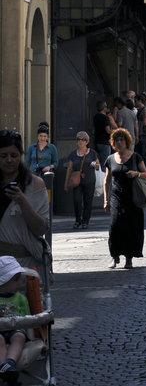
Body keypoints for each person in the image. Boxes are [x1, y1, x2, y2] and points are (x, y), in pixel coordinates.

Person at [0, 130, 49, 273]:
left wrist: (22, 201)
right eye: (3, 156)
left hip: (26, 267)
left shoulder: (35, 184)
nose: (9, 160)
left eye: (13, 155)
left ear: (20, 156)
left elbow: (41, 229)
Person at [103, 128, 146, 269]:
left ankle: (129, 258)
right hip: (116, 197)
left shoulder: (135, 157)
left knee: (131, 227)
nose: (119, 142)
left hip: (133, 198)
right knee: (115, 225)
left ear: (127, 141)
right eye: (117, 140)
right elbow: (106, 181)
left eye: (122, 140)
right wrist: (106, 200)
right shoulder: (111, 159)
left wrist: (136, 173)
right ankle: (114, 255)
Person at [0, 256, 31, 382]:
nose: (20, 283)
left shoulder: (21, 299)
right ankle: (4, 367)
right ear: (4, 282)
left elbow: (27, 318)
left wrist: (32, 336)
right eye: (17, 280)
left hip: (15, 329)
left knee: (20, 337)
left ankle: (9, 364)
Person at [64, 131, 100, 230]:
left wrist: (93, 163)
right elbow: (69, 169)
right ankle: (77, 220)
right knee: (77, 200)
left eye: (83, 139)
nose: (81, 141)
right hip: (77, 181)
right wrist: (66, 183)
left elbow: (98, 165)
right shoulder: (73, 154)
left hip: (89, 180)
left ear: (87, 141)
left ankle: (85, 221)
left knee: (88, 202)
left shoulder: (92, 153)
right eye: (79, 139)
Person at [93, 101, 113, 168]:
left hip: (97, 141)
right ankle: (103, 176)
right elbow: (107, 130)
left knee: (97, 161)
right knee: (104, 162)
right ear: (104, 108)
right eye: (106, 107)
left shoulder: (96, 117)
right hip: (105, 142)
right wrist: (114, 132)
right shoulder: (105, 118)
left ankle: (98, 175)